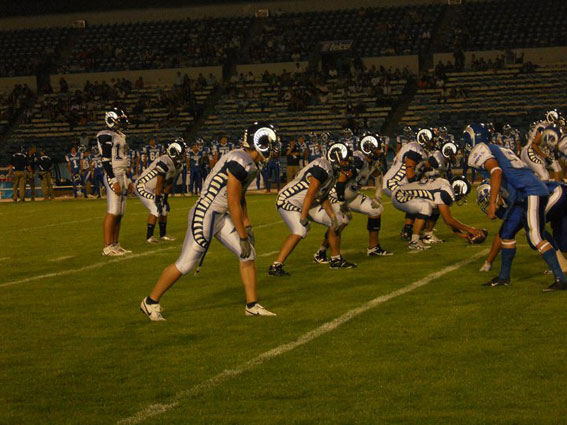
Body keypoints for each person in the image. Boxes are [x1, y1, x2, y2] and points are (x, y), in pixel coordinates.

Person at [140, 122, 279, 321]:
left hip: (220, 215)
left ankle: (252, 305)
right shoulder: (240, 159)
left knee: (248, 255)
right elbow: (232, 200)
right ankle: (150, 301)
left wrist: (247, 224)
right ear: (260, 142)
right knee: (186, 264)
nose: (274, 147)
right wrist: (241, 235)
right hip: (206, 212)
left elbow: (241, 197)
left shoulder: (250, 163)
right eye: (270, 143)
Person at [464, 123, 566, 291]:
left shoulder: (481, 150)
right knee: (507, 233)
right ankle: (504, 277)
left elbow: (496, 172)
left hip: (530, 191)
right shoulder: (497, 148)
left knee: (536, 237)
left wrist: (492, 203)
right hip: (521, 194)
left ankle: (561, 279)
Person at [269, 142, 355, 276]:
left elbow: (322, 195)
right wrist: (303, 216)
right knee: (300, 230)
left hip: (307, 203)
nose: (346, 163)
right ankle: (276, 266)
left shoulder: (331, 172)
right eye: (344, 160)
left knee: (338, 220)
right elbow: (311, 192)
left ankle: (336, 259)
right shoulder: (322, 166)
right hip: (288, 200)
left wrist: (332, 215)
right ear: (335, 158)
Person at [314, 133, 392, 262]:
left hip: (352, 195)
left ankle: (373, 248)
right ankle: (321, 252)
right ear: (370, 148)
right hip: (336, 195)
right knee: (341, 221)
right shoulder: (357, 160)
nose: (381, 150)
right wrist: (342, 203)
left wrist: (378, 194)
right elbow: (340, 182)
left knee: (376, 210)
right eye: (378, 148)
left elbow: (378, 175)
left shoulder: (371, 161)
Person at [476, 180, 567, 273]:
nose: (489, 206)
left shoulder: (511, 196)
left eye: (488, 201)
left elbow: (505, 233)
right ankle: (562, 263)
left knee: (535, 228)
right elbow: (503, 233)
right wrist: (488, 262)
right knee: (562, 242)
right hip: (559, 193)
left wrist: (489, 262)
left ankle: (562, 265)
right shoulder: (506, 199)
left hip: (557, 193)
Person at [383, 128, 432, 242]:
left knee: (416, 199)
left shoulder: (417, 148)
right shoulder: (415, 148)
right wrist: (414, 185)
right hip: (394, 182)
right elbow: (409, 168)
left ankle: (409, 229)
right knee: (418, 200)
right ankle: (411, 230)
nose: (433, 142)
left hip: (397, 182)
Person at [97, 107, 133, 257]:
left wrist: (128, 180)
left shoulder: (120, 135)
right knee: (113, 211)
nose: (121, 123)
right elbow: (105, 160)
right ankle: (107, 246)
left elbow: (124, 158)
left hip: (122, 173)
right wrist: (113, 180)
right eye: (118, 120)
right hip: (114, 174)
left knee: (120, 213)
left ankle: (115, 244)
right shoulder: (105, 135)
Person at [135, 138, 186, 243]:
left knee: (164, 209)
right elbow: (159, 180)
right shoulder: (165, 160)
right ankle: (149, 237)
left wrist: (165, 198)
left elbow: (169, 183)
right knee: (155, 208)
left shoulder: (179, 166)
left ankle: (163, 235)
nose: (183, 155)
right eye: (182, 152)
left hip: (154, 189)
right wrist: (158, 197)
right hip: (143, 186)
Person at [520, 111, 563, 181]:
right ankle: (543, 190)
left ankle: (558, 187)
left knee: (557, 167)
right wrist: (545, 157)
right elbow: (534, 145)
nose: (558, 122)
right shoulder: (543, 127)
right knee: (544, 176)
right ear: (552, 118)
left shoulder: (550, 128)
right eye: (557, 119)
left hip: (539, 151)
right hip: (531, 151)